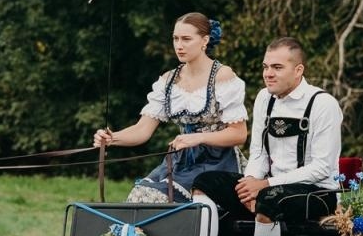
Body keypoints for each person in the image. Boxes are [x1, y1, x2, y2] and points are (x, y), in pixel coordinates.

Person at [193, 36, 341, 236]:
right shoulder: (264, 98)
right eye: (265, 67)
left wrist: (266, 184)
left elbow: (322, 167)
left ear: (298, 70)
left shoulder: (323, 104)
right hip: (269, 186)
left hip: (319, 193)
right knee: (205, 181)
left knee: (271, 199)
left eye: (277, 67)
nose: (268, 74)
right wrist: (250, 183)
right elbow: (259, 153)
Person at [92, 12, 248, 203]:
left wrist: (197, 138)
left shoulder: (222, 76)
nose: (179, 45)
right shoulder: (169, 80)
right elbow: (143, 129)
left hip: (218, 162)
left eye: (186, 39)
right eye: (175, 38)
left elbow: (239, 134)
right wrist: (112, 138)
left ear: (204, 40)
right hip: (180, 162)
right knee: (139, 197)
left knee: (159, 199)